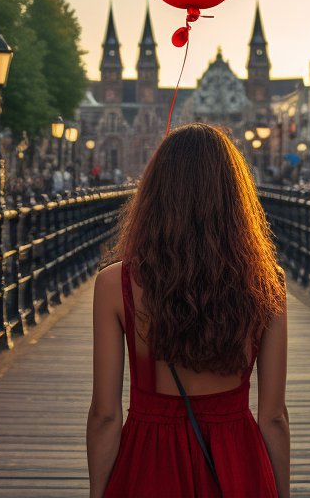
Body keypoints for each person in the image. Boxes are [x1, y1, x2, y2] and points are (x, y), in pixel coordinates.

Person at [88, 124, 288, 498]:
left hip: (149, 463)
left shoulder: (115, 284)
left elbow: (105, 414)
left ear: (155, 194)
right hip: (237, 461)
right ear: (235, 197)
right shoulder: (267, 281)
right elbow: (274, 416)